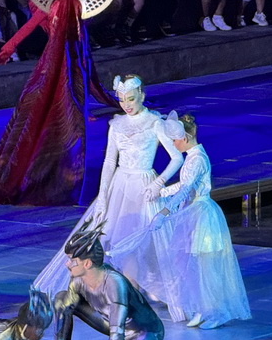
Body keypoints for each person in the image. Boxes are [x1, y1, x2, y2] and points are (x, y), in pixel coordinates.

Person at [33, 74, 182, 300]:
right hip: (120, 185)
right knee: (117, 239)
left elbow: (176, 158)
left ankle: (139, 290)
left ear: (141, 95)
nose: (126, 105)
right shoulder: (117, 124)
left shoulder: (154, 123)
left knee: (142, 242)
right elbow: (110, 161)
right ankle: (125, 292)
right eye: (122, 100)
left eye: (130, 99)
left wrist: (158, 182)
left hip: (143, 186)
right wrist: (103, 195)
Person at [112, 113, 251, 330]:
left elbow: (186, 188)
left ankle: (217, 311)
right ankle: (201, 308)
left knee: (206, 266)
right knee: (190, 265)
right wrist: (162, 191)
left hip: (202, 216)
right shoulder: (191, 157)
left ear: (184, 138)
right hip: (193, 212)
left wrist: (164, 211)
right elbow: (183, 185)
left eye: (175, 140)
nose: (173, 144)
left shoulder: (197, 160)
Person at [48, 219, 164, 340]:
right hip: (108, 320)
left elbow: (116, 334)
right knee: (62, 299)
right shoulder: (78, 279)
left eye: (72, 260)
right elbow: (65, 306)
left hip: (142, 331)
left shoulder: (113, 283)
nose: (67, 264)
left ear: (87, 264)